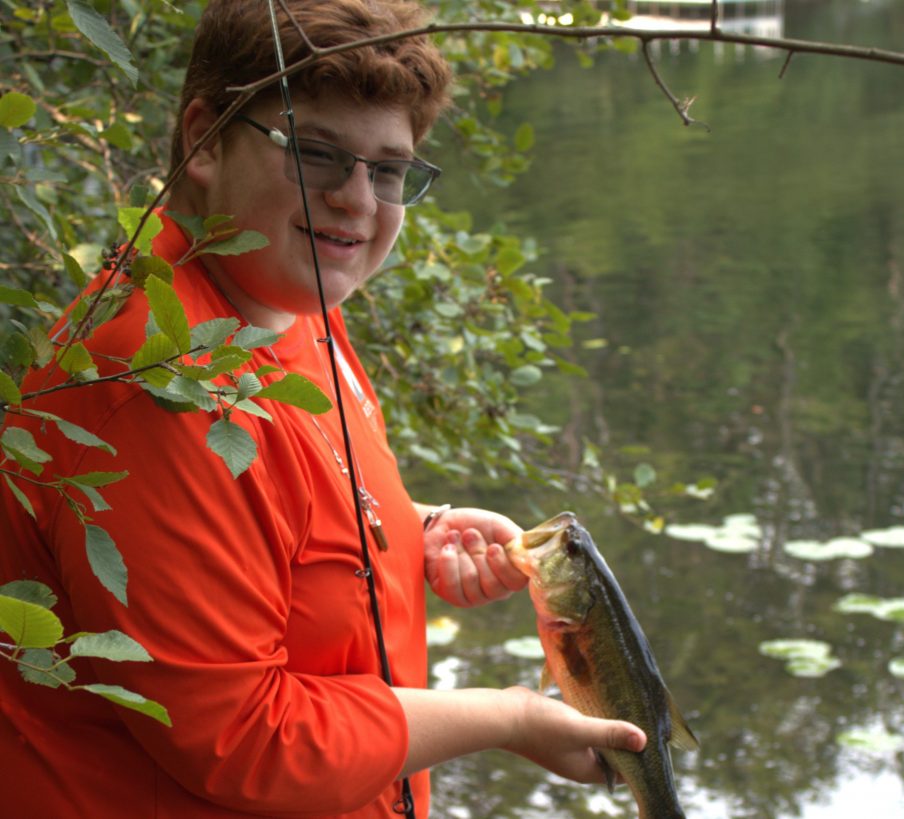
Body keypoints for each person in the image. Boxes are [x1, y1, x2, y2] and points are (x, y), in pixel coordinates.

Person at [0, 1, 646, 817]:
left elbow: (268, 508)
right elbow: (246, 741)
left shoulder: (280, 293)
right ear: (205, 139)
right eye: (314, 153)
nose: (357, 201)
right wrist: (509, 717)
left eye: (388, 171)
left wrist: (411, 527)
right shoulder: (163, 386)